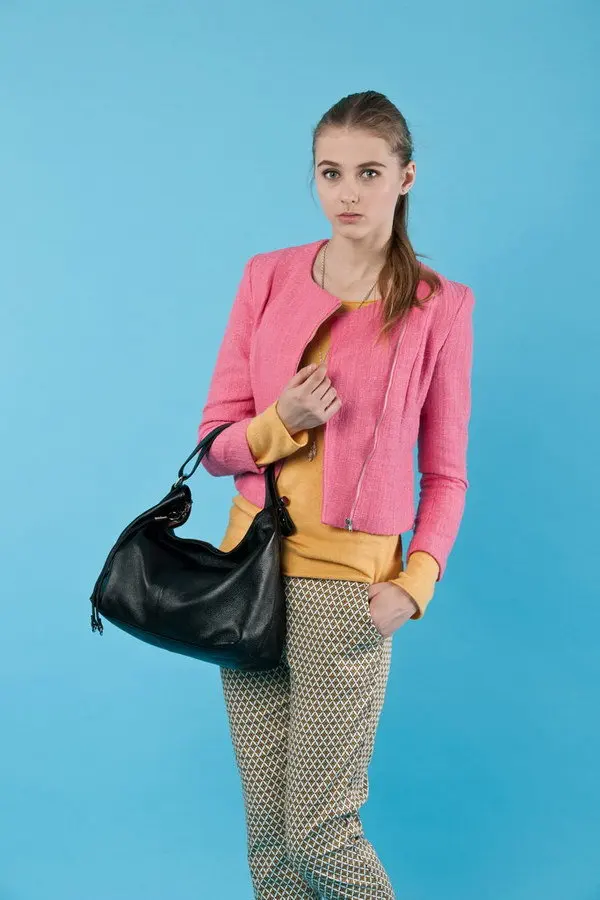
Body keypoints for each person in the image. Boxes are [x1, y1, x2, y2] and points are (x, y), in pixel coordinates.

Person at [197, 90, 475, 899]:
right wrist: (277, 423)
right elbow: (215, 445)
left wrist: (415, 585)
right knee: (271, 844)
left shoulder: (440, 306)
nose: (347, 192)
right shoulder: (267, 277)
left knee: (320, 833)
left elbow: (447, 474)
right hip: (246, 578)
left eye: (368, 172)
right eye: (330, 172)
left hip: (347, 592)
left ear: (405, 178)